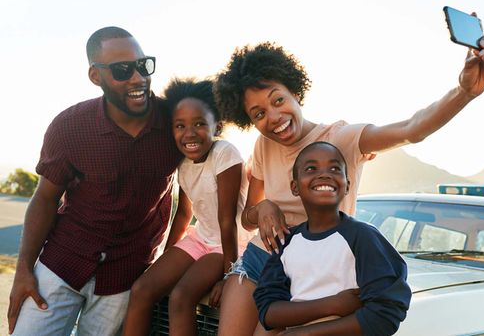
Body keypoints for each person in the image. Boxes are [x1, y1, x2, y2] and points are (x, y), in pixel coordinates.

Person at [214, 32, 484, 335]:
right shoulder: (263, 146)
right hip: (259, 262)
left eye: (278, 100)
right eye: (259, 114)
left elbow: (412, 129)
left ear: (295, 92)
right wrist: (264, 207)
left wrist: (465, 92)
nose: (273, 117)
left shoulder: (340, 138)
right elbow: (248, 218)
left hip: (313, 276)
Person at [7, 26, 183, 335]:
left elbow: (194, 194)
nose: (137, 78)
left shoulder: (175, 124)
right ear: (95, 76)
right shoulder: (69, 127)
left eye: (143, 65)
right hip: (61, 262)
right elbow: (45, 198)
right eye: (122, 70)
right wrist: (23, 270)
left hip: (126, 272)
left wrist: (167, 264)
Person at [121, 78, 254, 336]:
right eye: (180, 126)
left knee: (181, 297)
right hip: (200, 238)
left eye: (199, 124)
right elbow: (184, 213)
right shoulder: (182, 162)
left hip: (230, 245)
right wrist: (168, 257)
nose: (189, 133)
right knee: (141, 290)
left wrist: (229, 276)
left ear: (217, 124)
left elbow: (227, 221)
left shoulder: (225, 153)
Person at [253, 141, 411, 335]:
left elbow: (385, 313)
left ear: (347, 185)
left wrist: (304, 334)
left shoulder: (363, 237)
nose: (324, 174)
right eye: (311, 168)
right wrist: (333, 305)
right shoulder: (287, 243)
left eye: (335, 168)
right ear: (295, 187)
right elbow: (268, 311)